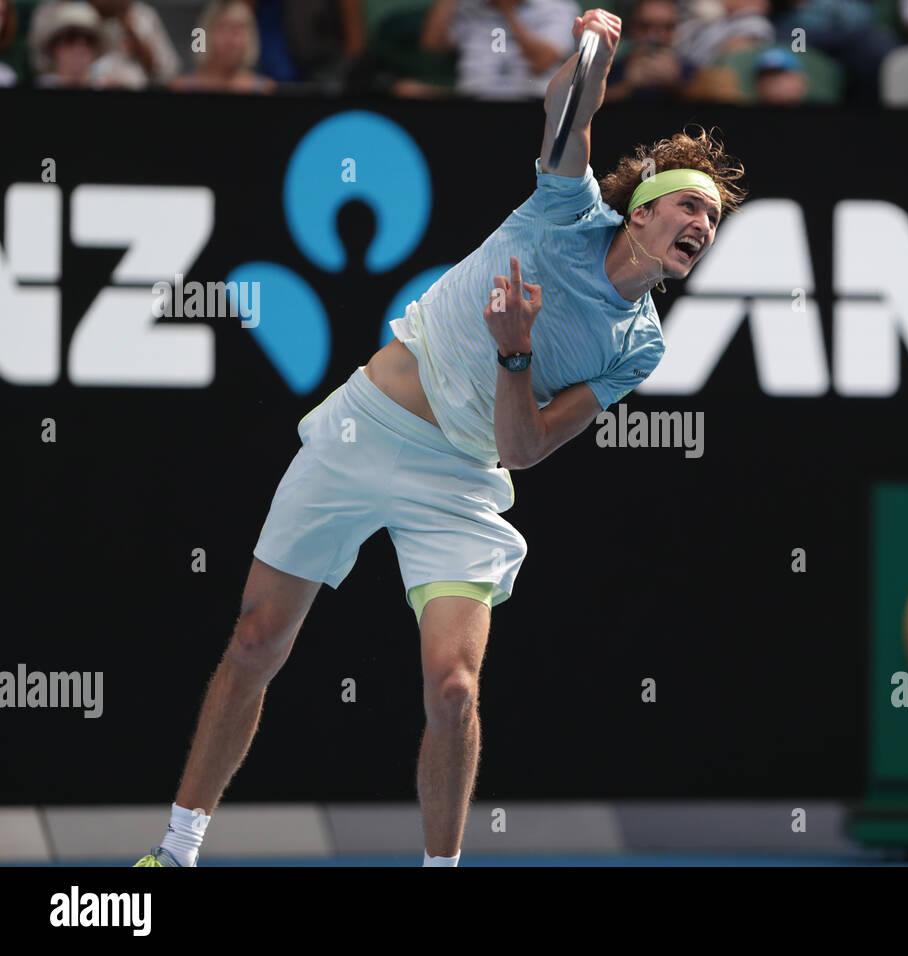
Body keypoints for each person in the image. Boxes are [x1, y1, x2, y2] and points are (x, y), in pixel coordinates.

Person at [132, 7, 746, 868]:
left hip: (460, 476)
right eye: (690, 206)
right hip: (362, 428)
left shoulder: (640, 344)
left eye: (712, 221)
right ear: (642, 212)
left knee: (455, 690)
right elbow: (570, 111)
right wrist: (592, 52)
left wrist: (516, 353)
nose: (703, 228)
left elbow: (526, 448)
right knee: (255, 641)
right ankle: (177, 849)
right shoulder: (561, 212)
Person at [420, 0, 581, 99]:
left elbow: (542, 62)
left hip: (531, 104)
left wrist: (507, 10)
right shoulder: (471, 8)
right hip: (472, 102)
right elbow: (432, 43)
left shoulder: (557, 7)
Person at [29, 0, 182, 88]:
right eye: (71, 39)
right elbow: (40, 64)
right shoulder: (56, 9)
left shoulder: (141, 16)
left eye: (88, 41)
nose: (80, 46)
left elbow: (168, 74)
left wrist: (139, 42)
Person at [172, 0, 275, 93]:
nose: (231, 40)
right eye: (223, 29)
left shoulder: (264, 88)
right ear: (207, 34)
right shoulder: (183, 87)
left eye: (238, 30)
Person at [604, 0, 694, 103]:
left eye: (667, 27)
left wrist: (676, 84)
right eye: (645, 27)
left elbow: (709, 101)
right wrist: (627, 85)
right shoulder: (609, 71)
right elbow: (589, 106)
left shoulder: (688, 71)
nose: (656, 35)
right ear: (631, 28)